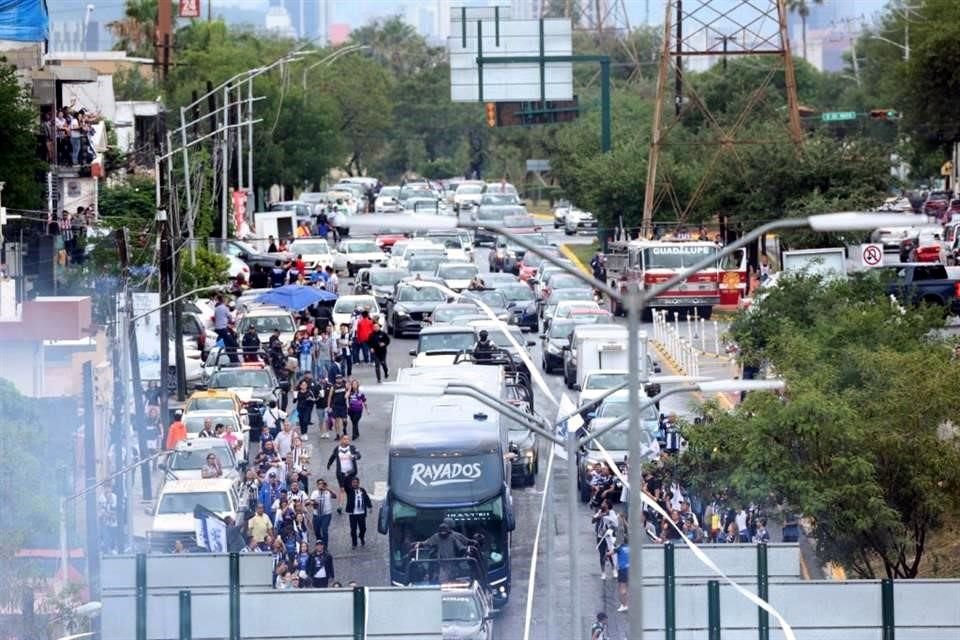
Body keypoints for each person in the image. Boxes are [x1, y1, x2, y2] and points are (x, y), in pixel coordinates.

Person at [326, 434, 361, 509]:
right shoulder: (337, 449)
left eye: (348, 439)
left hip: (351, 472)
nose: (347, 440)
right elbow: (332, 457)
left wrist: (354, 456)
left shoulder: (352, 448)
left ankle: (352, 504)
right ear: (341, 440)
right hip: (340, 473)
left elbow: (359, 455)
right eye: (345, 439)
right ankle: (340, 506)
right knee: (342, 489)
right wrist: (329, 464)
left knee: (351, 488)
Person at [344, 476, 371, 548]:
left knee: (363, 528)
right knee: (353, 529)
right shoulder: (349, 490)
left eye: (356, 482)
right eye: (353, 482)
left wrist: (370, 506)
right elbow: (345, 485)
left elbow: (366, 498)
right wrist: (346, 476)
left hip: (361, 513)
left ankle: (361, 537)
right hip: (353, 514)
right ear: (351, 483)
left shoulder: (362, 490)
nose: (355, 484)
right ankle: (354, 542)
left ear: (358, 483)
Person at [310, 478, 337, 545]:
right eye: (319, 484)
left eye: (322, 484)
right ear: (317, 485)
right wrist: (314, 503)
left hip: (326, 515)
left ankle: (325, 546)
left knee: (324, 530)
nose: (321, 485)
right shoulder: (314, 492)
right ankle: (319, 543)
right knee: (316, 530)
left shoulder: (327, 492)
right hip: (317, 514)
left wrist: (327, 488)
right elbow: (311, 501)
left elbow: (335, 496)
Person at [98, 481, 119, 553]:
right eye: (105, 488)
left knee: (112, 533)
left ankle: (113, 548)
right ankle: (103, 546)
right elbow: (102, 510)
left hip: (113, 519)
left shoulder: (114, 497)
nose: (107, 489)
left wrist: (110, 501)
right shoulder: (101, 497)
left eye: (109, 488)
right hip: (104, 519)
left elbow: (115, 509)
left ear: (111, 488)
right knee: (104, 532)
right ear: (103, 488)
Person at [609, 541, 629, 612]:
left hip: (622, 570)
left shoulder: (619, 548)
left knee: (622, 589)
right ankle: (627, 604)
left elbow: (610, 553)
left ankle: (624, 605)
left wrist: (606, 554)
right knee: (628, 588)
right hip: (630, 569)